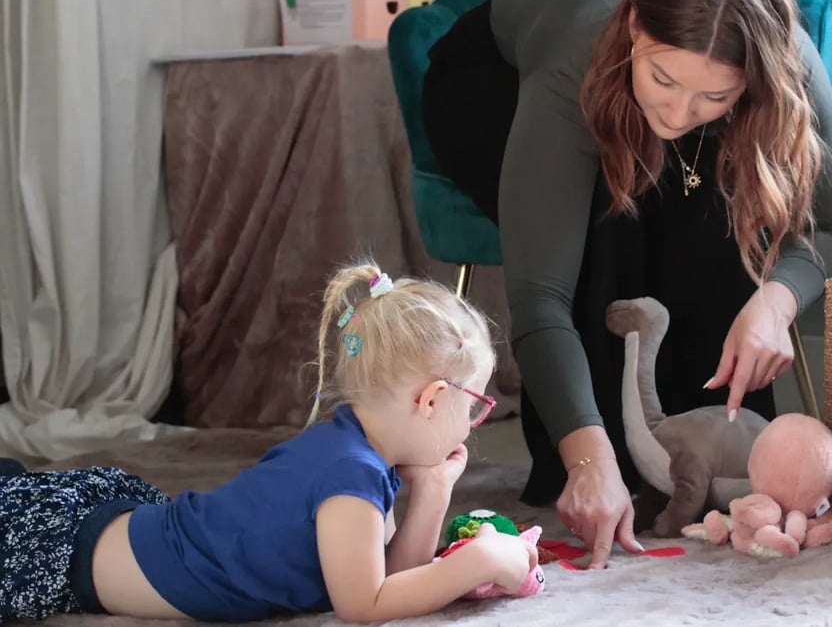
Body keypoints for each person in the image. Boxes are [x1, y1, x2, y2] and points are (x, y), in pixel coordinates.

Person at [421, 0, 832, 570]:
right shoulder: (581, 57)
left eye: (715, 98)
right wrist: (588, 459)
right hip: (489, 79)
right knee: (606, 210)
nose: (678, 114)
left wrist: (773, 305)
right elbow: (541, 296)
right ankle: (605, 452)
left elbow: (824, 233)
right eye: (664, 81)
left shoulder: (792, 72)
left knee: (717, 200)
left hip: (637, 68)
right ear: (637, 35)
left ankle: (699, 460)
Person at [0, 263, 540, 623]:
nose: (474, 422)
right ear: (431, 399)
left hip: (116, 528)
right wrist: (482, 560)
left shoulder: (358, 453)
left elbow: (391, 577)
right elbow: (364, 605)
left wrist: (433, 491)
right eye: (475, 406)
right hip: (70, 552)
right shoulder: (348, 477)